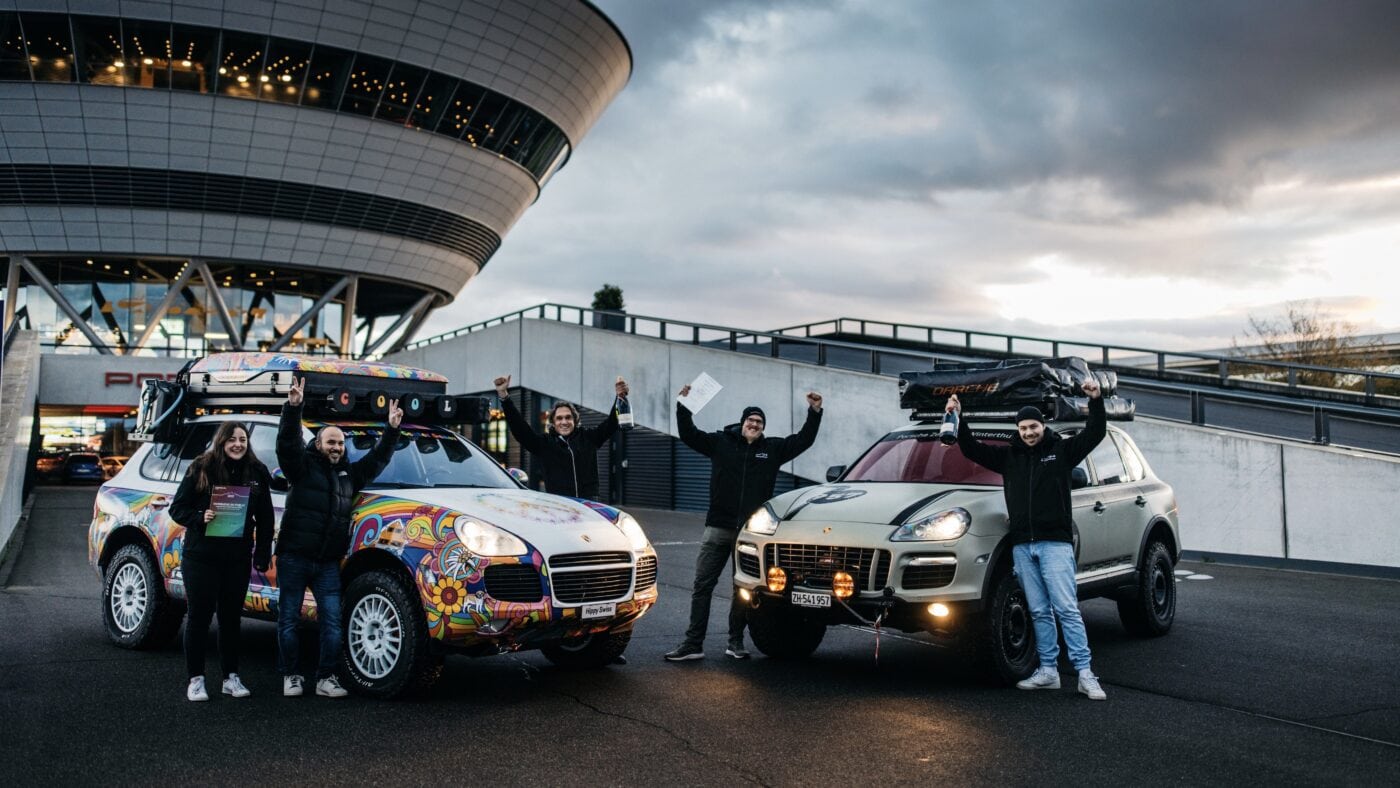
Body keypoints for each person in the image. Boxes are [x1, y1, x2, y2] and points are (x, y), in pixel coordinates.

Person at [947, 375, 1109, 700]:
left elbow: (1095, 433)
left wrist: (1095, 400)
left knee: (1065, 607)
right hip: (1023, 545)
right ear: (1017, 430)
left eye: (1033, 426)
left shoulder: (1060, 451)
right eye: (1023, 428)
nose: (1028, 433)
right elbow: (971, 449)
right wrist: (957, 416)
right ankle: (1048, 671)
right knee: (1038, 610)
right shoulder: (1010, 457)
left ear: (1042, 425)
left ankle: (1085, 673)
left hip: (1055, 544)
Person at [665, 387, 823, 661]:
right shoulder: (720, 443)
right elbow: (688, 433)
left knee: (743, 588)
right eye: (750, 420)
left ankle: (735, 642)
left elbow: (803, 440)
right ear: (742, 423)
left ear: (763, 428)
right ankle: (693, 644)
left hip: (749, 534)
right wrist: (684, 405)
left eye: (759, 422)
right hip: (718, 527)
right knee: (703, 585)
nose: (754, 425)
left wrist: (814, 412)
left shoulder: (772, 449)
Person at [275, 376, 401, 698]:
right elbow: (286, 445)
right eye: (330, 442)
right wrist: (293, 408)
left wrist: (391, 430)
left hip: (328, 563)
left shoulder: (349, 475)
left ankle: (325, 679)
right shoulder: (301, 468)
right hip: (294, 557)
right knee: (288, 620)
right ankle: (291, 676)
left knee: (333, 624)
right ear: (318, 445)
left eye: (340, 443)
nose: (336, 447)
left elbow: (376, 461)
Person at [169, 421, 274, 702]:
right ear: (221, 441)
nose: (238, 444)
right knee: (200, 618)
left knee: (230, 620)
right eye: (232, 439)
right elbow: (177, 508)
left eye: (242, 439)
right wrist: (199, 518)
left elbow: (266, 518)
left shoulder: (257, 472)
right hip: (201, 557)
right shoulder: (201, 467)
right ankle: (196, 680)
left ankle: (230, 677)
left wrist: (262, 555)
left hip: (237, 559)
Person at [493, 374, 629, 500]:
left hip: (588, 506)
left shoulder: (589, 437)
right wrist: (504, 397)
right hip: (560, 508)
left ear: (575, 421)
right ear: (553, 422)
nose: (564, 422)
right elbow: (520, 430)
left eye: (568, 417)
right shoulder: (544, 444)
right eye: (559, 418)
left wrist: (620, 397)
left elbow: (612, 423)